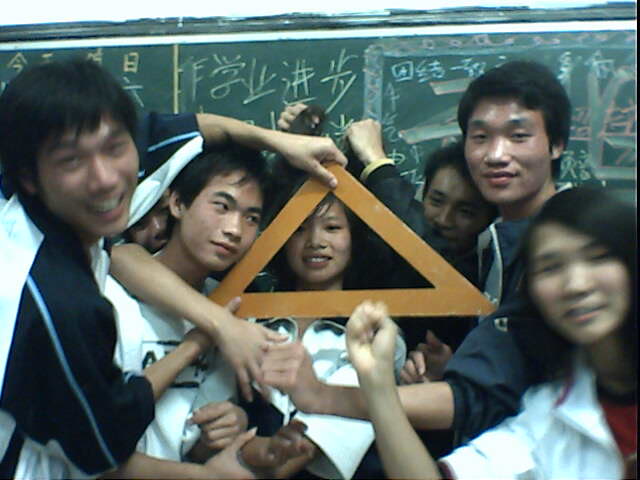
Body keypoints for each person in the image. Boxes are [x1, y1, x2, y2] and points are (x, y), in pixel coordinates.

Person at [0, 57, 346, 479]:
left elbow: (191, 128)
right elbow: (99, 451)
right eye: (72, 161)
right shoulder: (61, 299)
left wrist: (278, 142)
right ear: (176, 202)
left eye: (116, 148)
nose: (105, 179)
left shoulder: (236, 314)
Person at [263, 60, 573, 445]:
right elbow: (486, 387)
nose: (496, 154)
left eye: (518, 136)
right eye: (480, 137)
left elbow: (478, 395)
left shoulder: (573, 239)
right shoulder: (492, 248)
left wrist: (323, 397)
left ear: (557, 144)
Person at [346, 187, 637, 479]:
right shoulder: (549, 416)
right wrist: (377, 384)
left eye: (597, 257)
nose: (576, 285)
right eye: (551, 268)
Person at [107, 145, 315, 476]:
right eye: (222, 206)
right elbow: (89, 443)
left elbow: (187, 439)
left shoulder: (237, 313)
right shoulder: (109, 297)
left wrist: (225, 429)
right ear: (177, 203)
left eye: (251, 218)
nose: (235, 229)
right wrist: (205, 337)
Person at [256, 165, 407, 478]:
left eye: (332, 227)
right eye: (299, 228)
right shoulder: (253, 323)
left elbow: (304, 451)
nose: (315, 241)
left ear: (354, 238)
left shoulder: (376, 335)